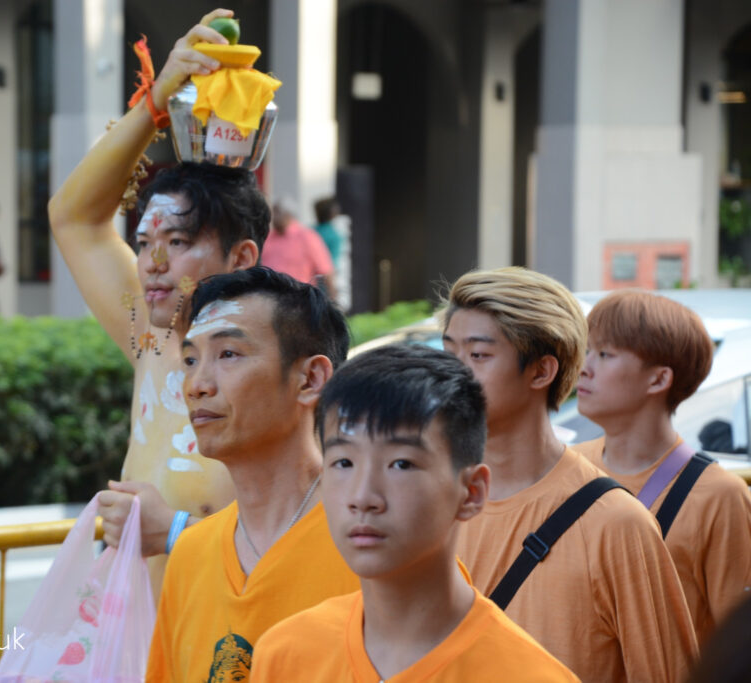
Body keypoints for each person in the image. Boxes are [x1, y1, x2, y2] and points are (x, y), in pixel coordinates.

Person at [48, 10, 270, 592]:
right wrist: (156, 101)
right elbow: (73, 218)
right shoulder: (149, 336)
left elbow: (298, 541)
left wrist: (171, 532)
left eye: (177, 242)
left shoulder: (292, 373)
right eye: (145, 242)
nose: (153, 263)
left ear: (242, 259)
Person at [251, 345, 578, 682]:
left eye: (401, 464)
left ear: (472, 492)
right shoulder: (285, 655)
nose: (363, 497)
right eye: (344, 463)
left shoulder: (529, 676)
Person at [440, 267, 698, 682]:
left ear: (542, 372)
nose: (452, 373)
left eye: (478, 355)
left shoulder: (616, 525)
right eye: (448, 352)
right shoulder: (426, 505)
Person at [145, 267, 359, 682]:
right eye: (190, 360)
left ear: (310, 379)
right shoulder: (190, 555)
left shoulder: (379, 543)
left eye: (228, 354)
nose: (197, 385)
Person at [573, 290, 751, 646]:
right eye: (586, 350)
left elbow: (736, 648)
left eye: (604, 354)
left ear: (658, 380)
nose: (584, 367)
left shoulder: (720, 497)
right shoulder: (570, 466)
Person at [261, 197, 336, 299]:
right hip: (269, 298)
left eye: (277, 212)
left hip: (299, 301)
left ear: (288, 215)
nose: (273, 217)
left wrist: (332, 303)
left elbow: (326, 271)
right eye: (273, 212)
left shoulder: (307, 237)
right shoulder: (268, 238)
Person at [313, 196, 351, 309]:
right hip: (324, 283)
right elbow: (330, 266)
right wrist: (333, 292)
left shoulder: (308, 232)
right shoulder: (335, 235)